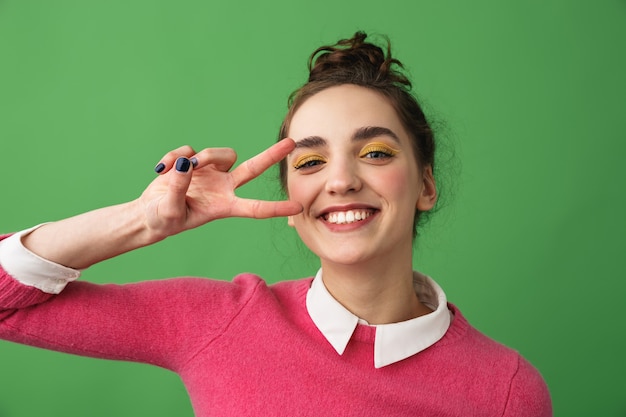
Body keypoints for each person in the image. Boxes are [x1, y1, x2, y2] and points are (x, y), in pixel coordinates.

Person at [0, 32, 552, 416]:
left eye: (377, 153)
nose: (340, 182)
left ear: (425, 186)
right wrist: (143, 221)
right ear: (291, 203)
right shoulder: (223, 322)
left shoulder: (507, 390)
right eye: (311, 163)